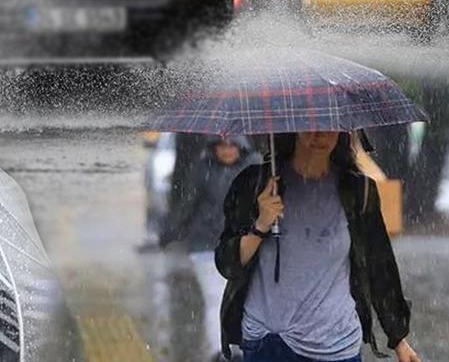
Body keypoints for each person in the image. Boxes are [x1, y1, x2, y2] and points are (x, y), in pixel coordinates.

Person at [215, 132, 422, 362]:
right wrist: (261, 225)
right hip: (269, 343)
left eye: (328, 127)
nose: (320, 135)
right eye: (309, 125)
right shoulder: (255, 185)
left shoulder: (357, 190)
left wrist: (398, 338)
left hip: (336, 344)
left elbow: (379, 266)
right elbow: (227, 264)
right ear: (293, 128)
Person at [160, 135, 260, 361]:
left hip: (243, 245)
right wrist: (170, 232)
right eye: (221, 146)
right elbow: (188, 204)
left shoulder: (254, 169)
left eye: (231, 145)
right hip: (206, 245)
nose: (226, 151)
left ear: (241, 147)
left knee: (243, 300)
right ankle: (221, 352)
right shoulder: (202, 168)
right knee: (215, 299)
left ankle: (241, 349)